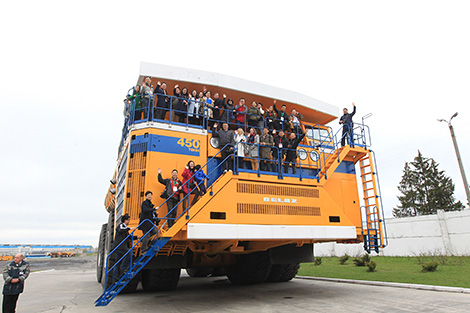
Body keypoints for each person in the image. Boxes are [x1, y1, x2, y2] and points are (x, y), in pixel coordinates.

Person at [112, 214, 133, 281]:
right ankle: (124, 268)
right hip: (120, 246)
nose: (129, 221)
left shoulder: (125, 228)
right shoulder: (121, 225)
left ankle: (116, 277)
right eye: (128, 220)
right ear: (125, 220)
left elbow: (128, 237)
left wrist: (136, 238)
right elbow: (120, 230)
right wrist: (130, 228)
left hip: (121, 247)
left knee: (118, 262)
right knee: (129, 253)